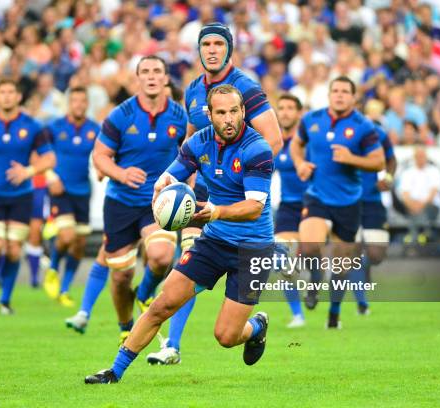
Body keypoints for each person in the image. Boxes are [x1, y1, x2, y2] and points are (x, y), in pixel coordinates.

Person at [85, 84, 274, 384]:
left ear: (243, 111)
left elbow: (254, 206)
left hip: (253, 249)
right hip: (213, 241)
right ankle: (114, 371)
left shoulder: (257, 149)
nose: (228, 119)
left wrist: (217, 211)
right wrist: (161, 188)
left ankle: (257, 327)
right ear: (209, 114)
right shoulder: (199, 142)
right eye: (221, 112)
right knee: (162, 305)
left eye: (234, 111)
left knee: (226, 336)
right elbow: (171, 175)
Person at [146, 22, 282, 366]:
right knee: (188, 262)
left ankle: (250, 323)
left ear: (229, 49)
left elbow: (273, 140)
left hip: (238, 191)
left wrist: (237, 180)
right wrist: (181, 184)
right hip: (202, 192)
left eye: (218, 44)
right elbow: (193, 141)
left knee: (224, 330)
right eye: (205, 44)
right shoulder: (193, 89)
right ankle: (172, 345)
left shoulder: (246, 88)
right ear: (198, 49)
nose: (211, 50)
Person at [91, 56, 187, 344]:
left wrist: (187, 187)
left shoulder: (180, 117)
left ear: (165, 78)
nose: (151, 76)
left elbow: (189, 155)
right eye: (145, 71)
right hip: (120, 202)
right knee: (120, 276)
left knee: (160, 257)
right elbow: (99, 156)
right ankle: (125, 323)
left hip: (158, 202)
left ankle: (144, 293)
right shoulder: (121, 115)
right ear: (138, 79)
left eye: (157, 71)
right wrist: (120, 173)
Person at [289, 76, 385, 329]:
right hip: (317, 195)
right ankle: (315, 279)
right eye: (335, 91)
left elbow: (378, 162)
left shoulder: (363, 126)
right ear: (329, 94)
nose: (339, 95)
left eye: (345, 91)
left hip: (348, 202)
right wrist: (300, 163)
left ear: (353, 97)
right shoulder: (311, 120)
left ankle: (334, 313)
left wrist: (352, 158)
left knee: (342, 266)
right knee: (309, 246)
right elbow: (296, 145)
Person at [0, 78, 55, 315]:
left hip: (21, 195)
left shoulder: (33, 126)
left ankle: (5, 300)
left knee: (14, 250)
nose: (6, 96)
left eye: (10, 92)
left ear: (18, 97)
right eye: (2, 92)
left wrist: (27, 171)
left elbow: (49, 159)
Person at [40, 87, 101, 307]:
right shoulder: (54, 128)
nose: (78, 104)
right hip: (60, 189)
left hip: (83, 190)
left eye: (82, 101)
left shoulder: (95, 129)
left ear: (87, 103)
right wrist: (49, 176)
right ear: (68, 103)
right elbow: (39, 153)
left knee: (79, 244)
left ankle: (64, 289)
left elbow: (104, 153)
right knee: (66, 236)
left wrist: (103, 169)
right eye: (74, 100)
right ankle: (53, 268)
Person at [331, 122, 396, 319]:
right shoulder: (337, 135)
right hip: (348, 203)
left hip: (373, 202)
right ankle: (360, 303)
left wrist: (389, 178)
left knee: (376, 254)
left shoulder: (378, 133)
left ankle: (359, 271)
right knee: (350, 253)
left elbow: (392, 160)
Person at [273, 93, 308, 328]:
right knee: (278, 259)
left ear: (299, 113)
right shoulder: (274, 143)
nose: (284, 112)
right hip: (287, 207)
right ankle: (298, 315)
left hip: (313, 205)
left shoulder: (308, 143)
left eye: (289, 108)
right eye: (281, 108)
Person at [399, 146, 440, 245]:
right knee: (414, 212)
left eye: (422, 156)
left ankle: (413, 238)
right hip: (412, 206)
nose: (420, 158)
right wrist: (413, 205)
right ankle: (422, 237)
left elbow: (434, 192)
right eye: (418, 156)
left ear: (426, 157)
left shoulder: (434, 171)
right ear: (414, 157)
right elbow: (405, 194)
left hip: (431, 205)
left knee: (421, 213)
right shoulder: (408, 173)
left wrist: (420, 205)